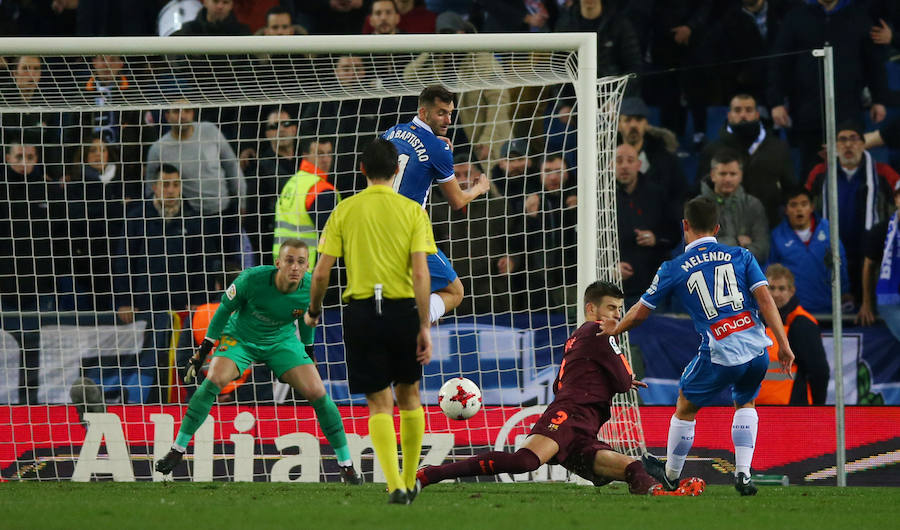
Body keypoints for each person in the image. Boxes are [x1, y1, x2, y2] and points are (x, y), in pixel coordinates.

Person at [413, 281, 704, 498]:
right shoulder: (599, 331)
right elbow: (620, 380)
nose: (617, 314)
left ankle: (662, 495)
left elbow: (562, 382)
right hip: (571, 416)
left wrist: (616, 378)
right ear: (592, 309)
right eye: (611, 308)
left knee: (634, 469)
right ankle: (431, 474)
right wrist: (626, 377)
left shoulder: (581, 336)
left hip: (584, 427)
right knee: (525, 460)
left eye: (620, 309)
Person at [603, 196, 794, 496]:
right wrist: (782, 344)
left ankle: (670, 475)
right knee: (745, 402)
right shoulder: (742, 255)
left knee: (685, 406)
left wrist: (617, 327)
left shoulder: (674, 267)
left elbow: (642, 310)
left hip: (720, 350)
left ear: (685, 226)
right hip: (758, 349)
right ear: (717, 227)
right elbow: (766, 300)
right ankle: (743, 473)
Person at [155, 238, 363, 484]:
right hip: (240, 339)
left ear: (308, 266)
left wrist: (309, 351)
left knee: (318, 393)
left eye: (300, 262)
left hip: (282, 342)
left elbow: (305, 320)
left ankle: (346, 464)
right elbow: (222, 311)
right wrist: (203, 352)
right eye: (289, 261)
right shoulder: (251, 279)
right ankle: (177, 449)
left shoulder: (312, 287)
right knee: (214, 380)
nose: (295, 267)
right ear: (278, 263)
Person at [304, 138, 435, 504]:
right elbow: (421, 274)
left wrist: (314, 312)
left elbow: (320, 273)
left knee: (379, 404)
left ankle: (393, 485)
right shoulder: (412, 211)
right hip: (401, 310)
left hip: (361, 312)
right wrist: (424, 324)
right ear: (397, 171)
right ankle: (410, 482)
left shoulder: (344, 210)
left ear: (361, 170)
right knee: (410, 397)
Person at [382, 84, 490, 323]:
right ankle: (415, 321)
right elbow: (457, 201)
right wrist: (479, 188)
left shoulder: (390, 133)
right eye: (441, 112)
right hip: (408, 234)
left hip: (376, 229)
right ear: (423, 113)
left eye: (450, 113)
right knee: (455, 292)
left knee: (396, 297)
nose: (449, 119)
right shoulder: (438, 148)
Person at [112, 165, 206, 403]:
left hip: (181, 308)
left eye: (175, 184)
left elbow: (200, 263)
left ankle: (179, 403)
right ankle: (138, 402)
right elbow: (124, 261)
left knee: (178, 360)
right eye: (165, 184)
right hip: (145, 307)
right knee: (147, 361)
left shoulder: (193, 219)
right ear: (154, 187)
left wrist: (197, 301)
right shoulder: (136, 219)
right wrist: (125, 301)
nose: (171, 190)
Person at [768, 0, 889, 175]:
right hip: (807, 111)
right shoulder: (796, 17)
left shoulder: (859, 15)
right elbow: (780, 63)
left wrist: (879, 99)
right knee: (811, 171)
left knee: (850, 170)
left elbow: (873, 62)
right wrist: (776, 101)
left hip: (848, 110)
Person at [805, 120, 900, 304]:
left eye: (854, 139)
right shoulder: (819, 173)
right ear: (834, 146)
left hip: (870, 247)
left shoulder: (883, 173)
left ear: (864, 144)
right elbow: (803, 204)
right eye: (842, 140)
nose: (848, 144)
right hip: (832, 246)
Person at [145, 102, 246, 268]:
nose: (182, 115)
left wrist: (242, 201)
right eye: (176, 111)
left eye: (187, 110)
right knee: (201, 271)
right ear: (167, 116)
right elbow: (151, 187)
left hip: (225, 215)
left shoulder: (209, 131)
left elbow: (231, 165)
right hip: (190, 222)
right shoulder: (158, 149)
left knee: (232, 269)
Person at [697, 93, 795, 229]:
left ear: (757, 115)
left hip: (768, 226)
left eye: (749, 110)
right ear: (729, 115)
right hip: (724, 230)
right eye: (737, 110)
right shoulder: (712, 150)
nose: (743, 115)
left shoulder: (778, 148)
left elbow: (789, 188)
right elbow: (702, 191)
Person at [615, 143, 680, 307]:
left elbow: (675, 234)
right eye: (619, 161)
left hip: (653, 290)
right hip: (614, 291)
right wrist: (609, 268)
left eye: (630, 160)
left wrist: (656, 238)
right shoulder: (600, 200)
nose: (624, 166)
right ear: (610, 165)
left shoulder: (657, 194)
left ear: (639, 165)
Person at [767, 187, 849, 313]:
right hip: (793, 310)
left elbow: (841, 263)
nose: (799, 209)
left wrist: (845, 291)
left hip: (829, 307)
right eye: (793, 205)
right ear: (786, 210)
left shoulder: (829, 230)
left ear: (811, 207)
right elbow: (770, 272)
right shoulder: (777, 236)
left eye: (804, 204)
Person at [760, 264, 829, 405]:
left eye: (782, 288)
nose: (776, 294)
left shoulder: (803, 324)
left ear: (792, 291)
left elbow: (819, 371)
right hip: (756, 406)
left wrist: (818, 408)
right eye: (771, 288)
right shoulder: (756, 320)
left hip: (792, 408)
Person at [273, 137, 339, 265]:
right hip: (308, 268)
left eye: (329, 153)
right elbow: (332, 238)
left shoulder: (293, 182)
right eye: (319, 154)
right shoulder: (320, 190)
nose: (326, 159)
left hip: (282, 265)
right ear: (305, 155)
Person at [699, 148, 769, 264]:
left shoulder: (753, 205)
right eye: (722, 174)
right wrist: (737, 242)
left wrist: (721, 247)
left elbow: (762, 250)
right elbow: (699, 248)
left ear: (741, 176)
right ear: (713, 175)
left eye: (733, 174)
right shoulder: (698, 206)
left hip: (745, 276)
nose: (727, 179)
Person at [858, 181, 900, 343]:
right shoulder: (881, 230)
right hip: (890, 300)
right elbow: (868, 266)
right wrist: (866, 303)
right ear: (896, 199)